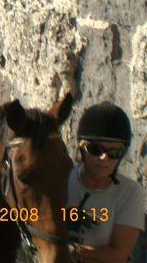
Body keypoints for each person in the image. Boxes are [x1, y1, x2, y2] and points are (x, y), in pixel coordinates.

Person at [66, 102, 146, 263]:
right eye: (96, 149)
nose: (104, 158)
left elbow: (118, 255)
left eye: (114, 152)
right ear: (82, 148)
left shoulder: (131, 193)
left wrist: (68, 251)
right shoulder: (62, 179)